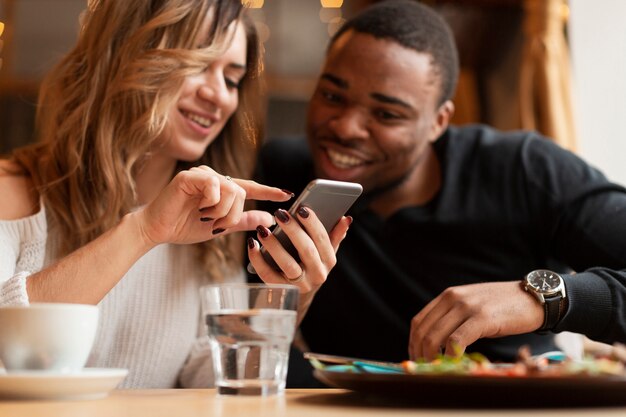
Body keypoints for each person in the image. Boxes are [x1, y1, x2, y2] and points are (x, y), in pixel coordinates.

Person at [253, 0, 626, 383]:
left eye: (387, 114)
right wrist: (280, 312)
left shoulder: (524, 169)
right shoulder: (280, 180)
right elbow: (239, 351)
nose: (346, 128)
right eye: (332, 96)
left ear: (439, 121)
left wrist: (540, 298)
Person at [0, 0, 350, 388]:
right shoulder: (12, 192)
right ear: (125, 55)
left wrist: (287, 304)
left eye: (232, 79)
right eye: (198, 63)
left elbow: (219, 387)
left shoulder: (210, 230)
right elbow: (7, 351)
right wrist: (143, 232)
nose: (219, 96)